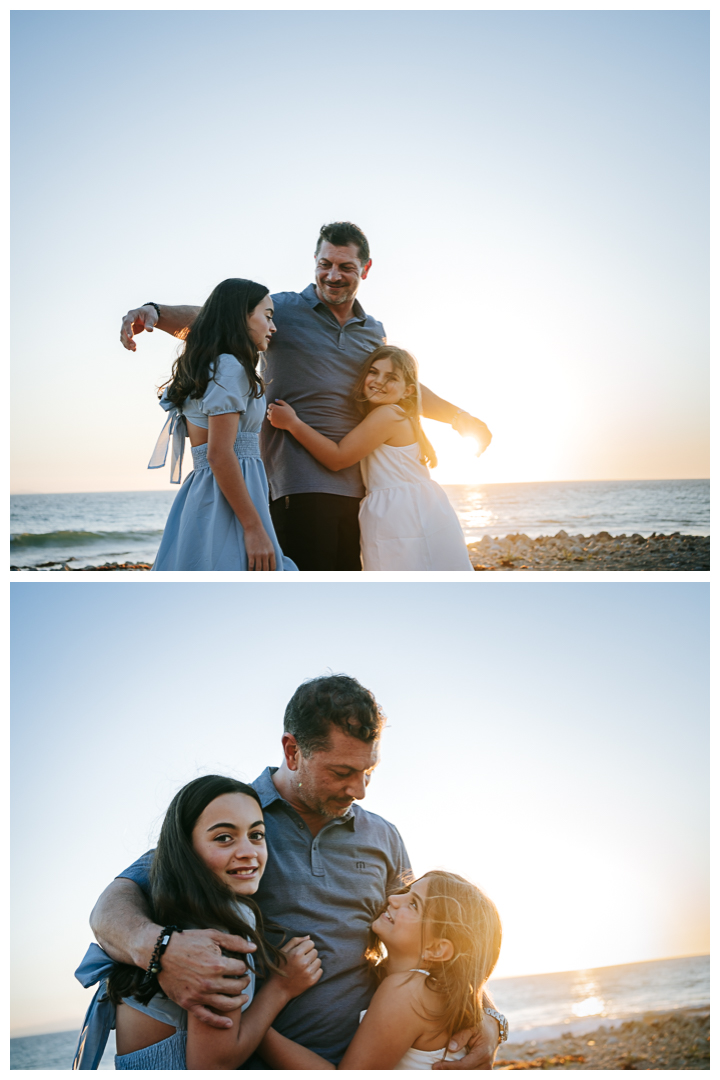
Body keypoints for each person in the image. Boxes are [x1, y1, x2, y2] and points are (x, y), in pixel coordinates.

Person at [88, 675, 506, 1069]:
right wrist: (160, 950)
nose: (359, 790)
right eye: (342, 772)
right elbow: (111, 906)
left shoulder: (383, 837)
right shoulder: (235, 823)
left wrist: (489, 1016)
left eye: (368, 772)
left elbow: (439, 938)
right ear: (292, 750)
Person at [120, 221, 492, 570]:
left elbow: (403, 388)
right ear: (314, 263)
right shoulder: (281, 309)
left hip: (357, 487)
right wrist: (155, 312)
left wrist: (461, 419)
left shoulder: (372, 331)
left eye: (345, 266)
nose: (333, 275)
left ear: (365, 269)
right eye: (325, 263)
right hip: (294, 482)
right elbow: (217, 318)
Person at [73, 776, 321, 1068]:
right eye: (223, 838)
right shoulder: (215, 934)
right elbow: (212, 1065)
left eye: (256, 835)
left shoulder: (160, 906)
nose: (248, 852)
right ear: (185, 848)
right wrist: (282, 988)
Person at [258, 871, 504, 1069]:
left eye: (414, 904)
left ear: (437, 949)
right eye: (406, 891)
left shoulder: (408, 992)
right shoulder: (426, 991)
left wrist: (254, 1028)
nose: (393, 899)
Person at [267, 345, 474, 570]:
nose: (378, 381)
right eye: (373, 372)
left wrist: (293, 424)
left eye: (391, 377)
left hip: (402, 512)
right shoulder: (399, 414)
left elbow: (338, 458)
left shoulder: (388, 414)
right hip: (413, 506)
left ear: (409, 391)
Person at [147, 277, 297, 570]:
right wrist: (253, 528)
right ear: (241, 316)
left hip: (212, 492)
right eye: (267, 316)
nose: (273, 327)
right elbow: (219, 453)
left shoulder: (215, 364)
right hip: (226, 498)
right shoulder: (230, 366)